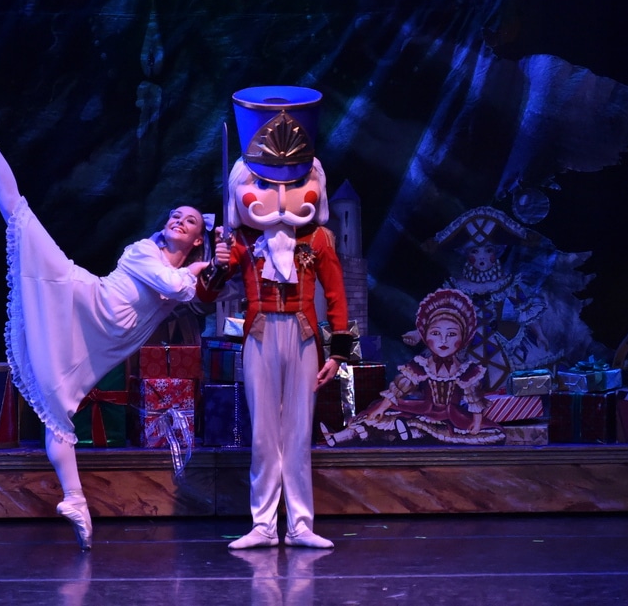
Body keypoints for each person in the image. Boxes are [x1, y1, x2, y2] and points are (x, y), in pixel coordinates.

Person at [0, 69, 211, 551]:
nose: (179, 219)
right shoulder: (143, 252)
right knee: (17, 210)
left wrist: (213, 267)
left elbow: (196, 298)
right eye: (175, 214)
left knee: (58, 413)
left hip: (95, 346)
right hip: (78, 298)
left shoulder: (181, 276)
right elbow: (177, 287)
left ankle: (76, 501)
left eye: (190, 220)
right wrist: (198, 269)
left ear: (198, 237)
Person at [199, 86, 352, 550]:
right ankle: (264, 524)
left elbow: (337, 297)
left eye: (292, 185)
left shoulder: (318, 240)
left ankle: (300, 524)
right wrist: (215, 263)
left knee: (298, 433)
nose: (281, 199)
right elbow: (207, 296)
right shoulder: (242, 242)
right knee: (265, 434)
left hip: (304, 339)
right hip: (260, 336)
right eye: (266, 186)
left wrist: (338, 354)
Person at [322, 288, 504, 446]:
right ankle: (340, 437)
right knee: (377, 415)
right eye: (435, 333)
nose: (443, 341)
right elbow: (400, 388)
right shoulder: (422, 365)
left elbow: (474, 399)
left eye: (451, 335)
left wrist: (477, 422)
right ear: (426, 336)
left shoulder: (466, 371)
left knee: (489, 434)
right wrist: (381, 408)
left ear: (462, 338)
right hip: (424, 409)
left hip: (452, 416)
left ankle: (409, 434)